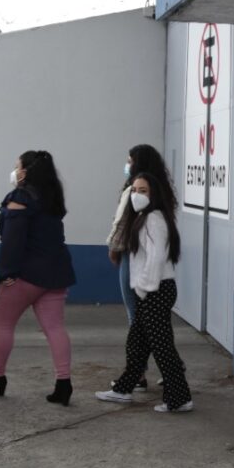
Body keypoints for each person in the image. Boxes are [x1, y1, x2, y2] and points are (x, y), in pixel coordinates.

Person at [0, 150, 78, 406]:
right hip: (56, 273)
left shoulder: (20, 197)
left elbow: (13, 238)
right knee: (55, 328)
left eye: (17, 166)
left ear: (26, 171)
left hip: (25, 274)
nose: (14, 170)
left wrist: (5, 272)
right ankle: (63, 383)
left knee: (3, 324)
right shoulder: (52, 198)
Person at [96, 172, 193, 412]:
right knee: (137, 344)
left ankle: (179, 398)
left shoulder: (153, 219)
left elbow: (156, 258)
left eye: (143, 191)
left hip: (155, 290)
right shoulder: (144, 217)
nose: (136, 195)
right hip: (152, 290)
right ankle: (123, 389)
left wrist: (144, 288)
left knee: (162, 347)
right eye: (134, 190)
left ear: (154, 194)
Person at [105, 144, 179, 391]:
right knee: (157, 323)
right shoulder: (160, 191)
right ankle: (171, 370)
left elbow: (121, 223)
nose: (127, 165)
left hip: (135, 258)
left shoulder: (134, 191)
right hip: (157, 268)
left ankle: (138, 373)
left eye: (130, 160)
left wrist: (114, 247)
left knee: (137, 317)